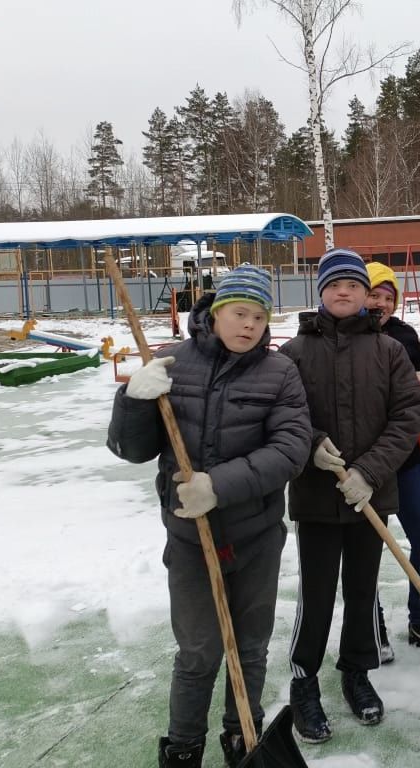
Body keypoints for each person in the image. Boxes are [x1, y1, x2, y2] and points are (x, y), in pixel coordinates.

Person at [107, 264, 313, 768]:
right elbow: (132, 450)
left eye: (260, 318)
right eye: (241, 313)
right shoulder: (171, 362)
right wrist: (132, 400)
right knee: (198, 653)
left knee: (250, 650)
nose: (250, 326)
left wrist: (216, 487)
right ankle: (183, 748)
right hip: (189, 540)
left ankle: (243, 737)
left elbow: (291, 448)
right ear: (215, 313)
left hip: (256, 536)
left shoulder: (279, 371)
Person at [278, 248, 420, 744]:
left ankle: (356, 671)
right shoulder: (294, 353)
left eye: (354, 285)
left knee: (362, 590)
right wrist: (312, 443)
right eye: (334, 285)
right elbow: (282, 413)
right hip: (316, 496)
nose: (344, 292)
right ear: (321, 292)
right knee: (317, 594)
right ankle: (304, 680)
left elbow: (408, 416)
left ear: (368, 295)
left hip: (370, 495)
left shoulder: (389, 351)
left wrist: (369, 471)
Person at [363, 262, 420, 656]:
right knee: (364, 548)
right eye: (373, 294)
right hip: (364, 462)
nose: (380, 303)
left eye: (388, 297)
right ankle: (368, 623)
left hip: (410, 456)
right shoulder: (345, 339)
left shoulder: (403, 335)